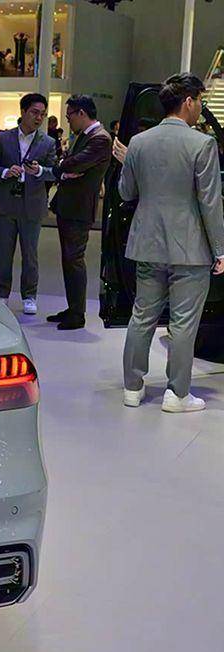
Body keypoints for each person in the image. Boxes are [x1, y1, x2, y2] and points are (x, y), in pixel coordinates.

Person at [118, 73, 224, 412]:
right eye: (200, 100)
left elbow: (126, 192)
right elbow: (210, 202)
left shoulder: (139, 143)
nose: (201, 106)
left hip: (147, 243)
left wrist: (128, 163)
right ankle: (177, 394)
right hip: (190, 249)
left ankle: (132, 388)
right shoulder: (202, 144)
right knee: (183, 324)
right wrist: (220, 250)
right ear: (188, 102)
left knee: (141, 317)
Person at [0, 93, 58, 315]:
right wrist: (5, 172)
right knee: (4, 253)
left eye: (42, 114)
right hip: (6, 203)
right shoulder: (3, 138)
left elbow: (53, 171)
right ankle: (2, 293)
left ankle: (29, 296)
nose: (39, 118)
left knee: (30, 254)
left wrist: (40, 171)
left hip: (33, 204)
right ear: (23, 112)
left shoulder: (48, 142)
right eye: (34, 112)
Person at [46, 94, 112, 330]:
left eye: (69, 116)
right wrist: (66, 168)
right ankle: (73, 307)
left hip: (79, 208)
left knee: (74, 260)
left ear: (81, 113)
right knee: (69, 260)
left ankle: (77, 314)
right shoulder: (85, 136)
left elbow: (72, 163)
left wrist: (62, 167)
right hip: (69, 206)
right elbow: (70, 163)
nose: (68, 121)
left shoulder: (100, 139)